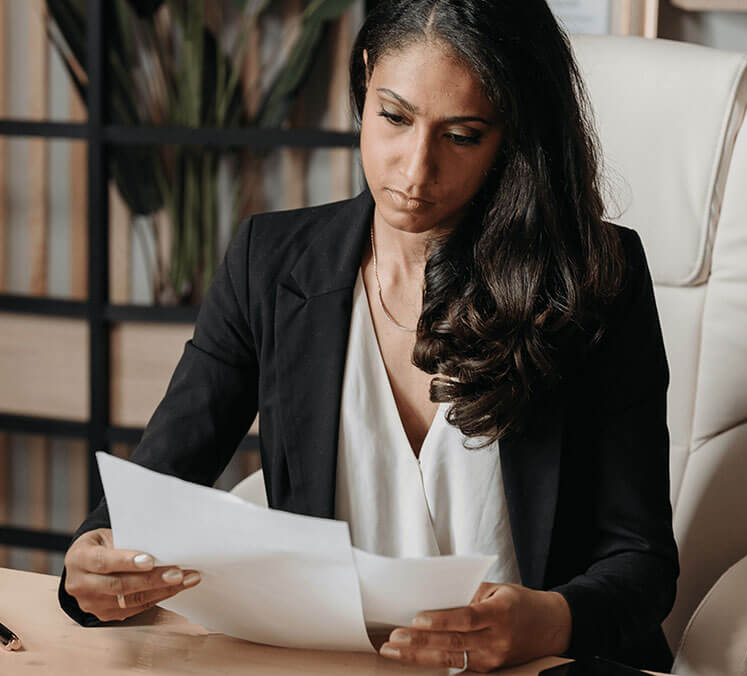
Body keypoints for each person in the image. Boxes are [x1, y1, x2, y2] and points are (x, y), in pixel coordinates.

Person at [59, 0, 679, 672]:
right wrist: (96, 559)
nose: (414, 171)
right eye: (394, 117)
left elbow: (641, 564)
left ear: (513, 136)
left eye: (463, 135)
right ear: (363, 82)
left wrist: (545, 623)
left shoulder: (591, 279)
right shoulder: (269, 264)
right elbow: (154, 488)